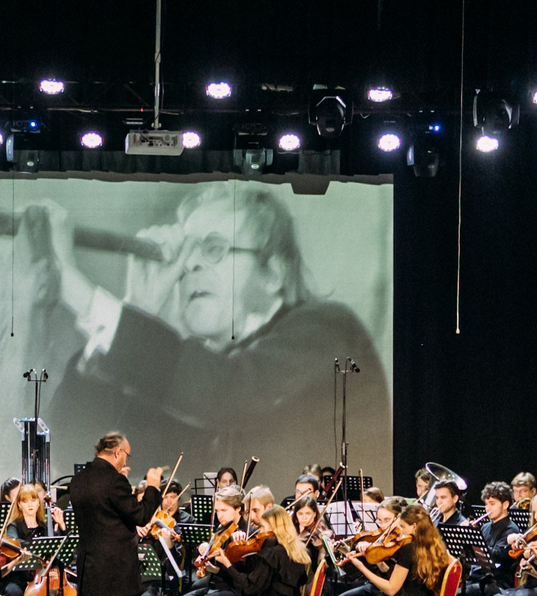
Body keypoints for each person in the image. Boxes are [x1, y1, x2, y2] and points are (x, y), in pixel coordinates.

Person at [24, 183, 392, 485]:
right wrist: (139, 309)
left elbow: (227, 390)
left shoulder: (326, 329)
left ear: (274, 272)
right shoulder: (191, 378)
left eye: (213, 248)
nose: (191, 265)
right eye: (185, 254)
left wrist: (76, 289)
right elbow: (79, 444)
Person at [68, 431, 179, 596]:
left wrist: (122, 482)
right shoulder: (114, 481)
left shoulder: (79, 479)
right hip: (116, 573)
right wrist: (152, 486)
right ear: (117, 453)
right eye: (126, 455)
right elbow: (140, 515)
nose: (126, 460)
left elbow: (105, 514)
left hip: (90, 570)